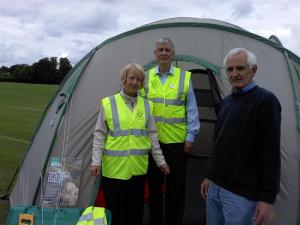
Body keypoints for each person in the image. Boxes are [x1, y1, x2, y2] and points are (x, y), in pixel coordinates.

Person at [200, 48, 281, 225]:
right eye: (230, 69)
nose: (234, 74)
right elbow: (218, 142)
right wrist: (209, 175)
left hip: (241, 196)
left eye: (240, 68)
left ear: (253, 70)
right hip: (215, 189)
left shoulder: (266, 101)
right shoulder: (227, 102)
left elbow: (271, 153)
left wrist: (267, 199)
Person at [91, 63, 170, 225]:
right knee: (115, 214)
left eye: (139, 79)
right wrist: (95, 161)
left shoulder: (148, 106)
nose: (135, 82)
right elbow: (99, 135)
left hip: (137, 171)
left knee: (134, 214)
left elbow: (152, 137)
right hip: (113, 171)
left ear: (142, 83)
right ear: (124, 79)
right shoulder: (109, 103)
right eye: (131, 78)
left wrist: (160, 161)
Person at [139, 37, 200, 225]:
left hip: (177, 144)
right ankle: (155, 221)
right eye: (161, 50)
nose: (164, 53)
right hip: (153, 144)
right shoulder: (146, 77)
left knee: (176, 188)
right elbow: (140, 109)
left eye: (167, 50)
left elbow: (192, 109)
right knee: (155, 188)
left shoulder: (185, 77)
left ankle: (174, 221)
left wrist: (190, 136)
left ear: (173, 54)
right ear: (155, 54)